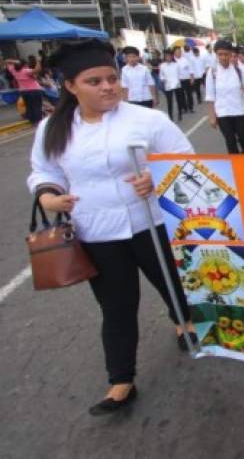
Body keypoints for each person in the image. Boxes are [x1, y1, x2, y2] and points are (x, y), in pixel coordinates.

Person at [27, 39, 196, 416]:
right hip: (96, 231)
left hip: (150, 224)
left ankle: (183, 321)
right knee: (117, 306)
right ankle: (121, 380)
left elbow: (185, 161)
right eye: (94, 81)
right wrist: (50, 197)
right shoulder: (52, 128)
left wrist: (155, 177)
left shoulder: (147, 120)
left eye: (111, 78)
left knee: (173, 281)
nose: (107, 87)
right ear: (70, 86)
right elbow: (45, 171)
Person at [206, 40, 244, 154]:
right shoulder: (212, 72)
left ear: (231, 54)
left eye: (226, 54)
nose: (223, 57)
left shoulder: (238, 70)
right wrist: (212, 116)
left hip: (240, 111)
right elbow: (210, 96)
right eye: (220, 54)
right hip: (223, 113)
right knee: (230, 142)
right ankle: (237, 168)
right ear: (216, 55)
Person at [10, 58, 44, 126]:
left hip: (24, 91)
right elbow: (37, 70)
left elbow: (7, 61)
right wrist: (38, 61)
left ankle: (32, 121)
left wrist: (15, 61)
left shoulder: (14, 71)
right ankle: (38, 121)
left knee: (29, 106)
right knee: (37, 106)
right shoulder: (25, 71)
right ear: (24, 64)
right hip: (34, 90)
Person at [159, 49, 185, 122]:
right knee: (169, 102)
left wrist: (179, 81)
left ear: (172, 56)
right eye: (166, 56)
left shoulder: (176, 65)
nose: (168, 58)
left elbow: (180, 75)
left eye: (169, 56)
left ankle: (180, 114)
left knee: (179, 100)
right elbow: (161, 76)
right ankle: (170, 116)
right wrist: (163, 80)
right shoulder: (162, 65)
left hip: (177, 85)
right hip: (168, 86)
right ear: (164, 57)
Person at [172, 47, 194, 114]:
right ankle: (184, 108)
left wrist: (192, 78)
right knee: (181, 96)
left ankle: (191, 107)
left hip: (187, 79)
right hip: (178, 81)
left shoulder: (185, 60)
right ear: (174, 53)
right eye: (177, 52)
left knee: (189, 94)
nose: (179, 53)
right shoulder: (173, 61)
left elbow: (191, 69)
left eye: (179, 51)